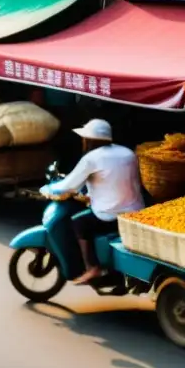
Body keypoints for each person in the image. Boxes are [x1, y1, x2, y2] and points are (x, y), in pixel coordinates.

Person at [42, 119, 143, 285]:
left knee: (79, 223)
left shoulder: (92, 158)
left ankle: (92, 267)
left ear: (89, 140)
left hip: (111, 215)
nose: (83, 142)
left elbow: (69, 185)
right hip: (136, 211)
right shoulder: (127, 153)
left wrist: (47, 189)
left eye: (84, 139)